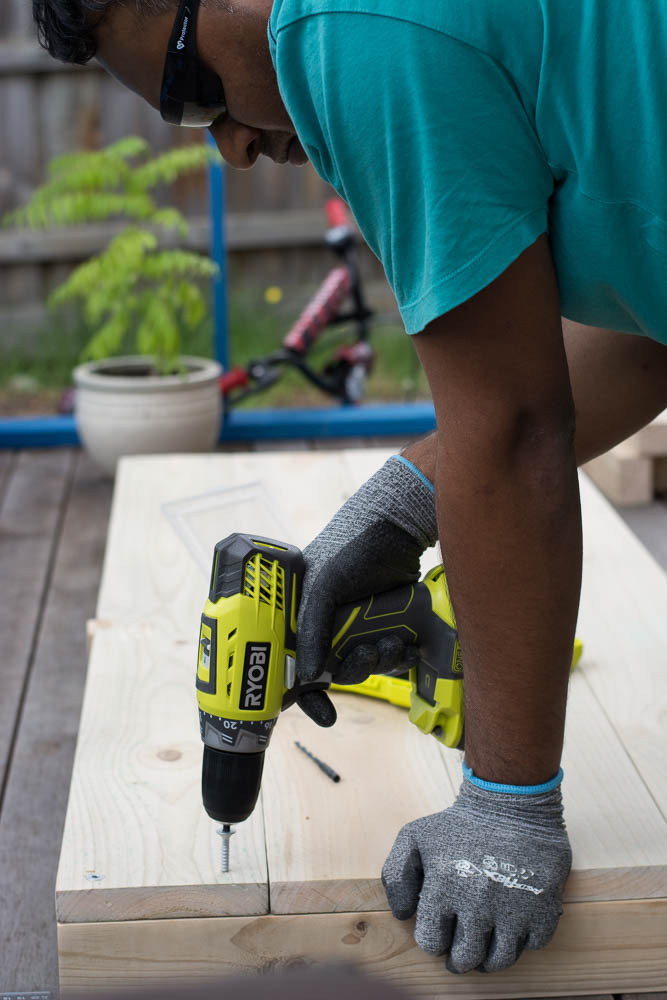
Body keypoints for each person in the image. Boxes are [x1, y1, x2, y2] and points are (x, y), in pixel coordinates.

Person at [33, 0, 667, 976]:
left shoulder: (349, 29)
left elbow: (513, 430)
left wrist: (504, 807)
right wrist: (409, 497)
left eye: (191, 93)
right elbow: (646, 343)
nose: (233, 151)